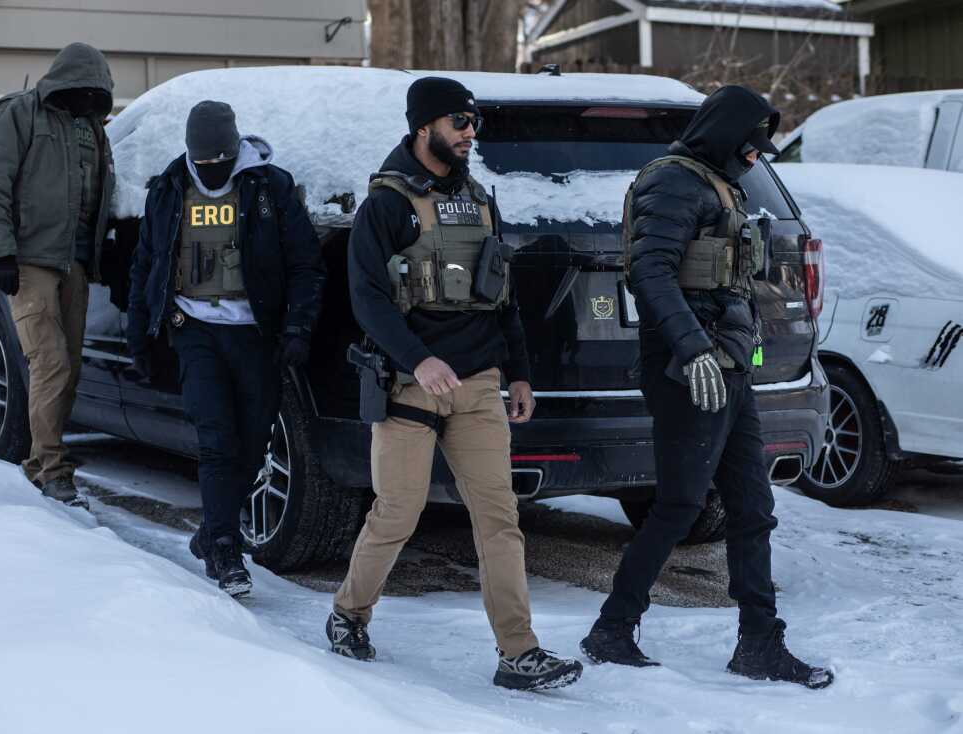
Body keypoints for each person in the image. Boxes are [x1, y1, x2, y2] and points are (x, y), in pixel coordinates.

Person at [327, 76, 582, 692]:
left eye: (474, 123)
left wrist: (519, 372)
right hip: (410, 386)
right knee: (398, 512)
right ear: (424, 127)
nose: (471, 133)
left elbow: (502, 295)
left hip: (478, 383)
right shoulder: (387, 204)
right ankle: (348, 615)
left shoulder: (479, 200)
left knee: (499, 518)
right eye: (459, 122)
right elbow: (367, 299)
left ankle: (517, 653)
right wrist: (418, 360)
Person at [579, 85, 834, 689]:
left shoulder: (718, 182)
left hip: (729, 365)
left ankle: (759, 644)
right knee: (679, 505)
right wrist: (692, 348)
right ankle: (612, 629)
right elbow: (650, 271)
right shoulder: (673, 181)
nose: (754, 159)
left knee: (752, 508)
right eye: (750, 148)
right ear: (724, 135)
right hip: (688, 369)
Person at [127, 100, 325, 597]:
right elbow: (146, 262)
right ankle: (224, 550)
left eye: (219, 161)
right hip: (194, 329)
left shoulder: (269, 186)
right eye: (203, 162)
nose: (211, 170)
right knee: (215, 439)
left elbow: (306, 263)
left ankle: (211, 530)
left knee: (253, 444)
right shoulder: (171, 187)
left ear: (235, 149)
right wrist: (139, 333)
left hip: (255, 333)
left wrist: (297, 328)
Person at [0, 42, 116, 507]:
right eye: (84, 89)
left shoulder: (93, 128)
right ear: (65, 82)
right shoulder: (18, 113)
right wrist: (1, 253)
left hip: (74, 263)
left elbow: (98, 193)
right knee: (50, 361)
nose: (90, 98)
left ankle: (43, 457)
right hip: (27, 260)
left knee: (68, 366)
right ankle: (51, 470)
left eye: (97, 93)